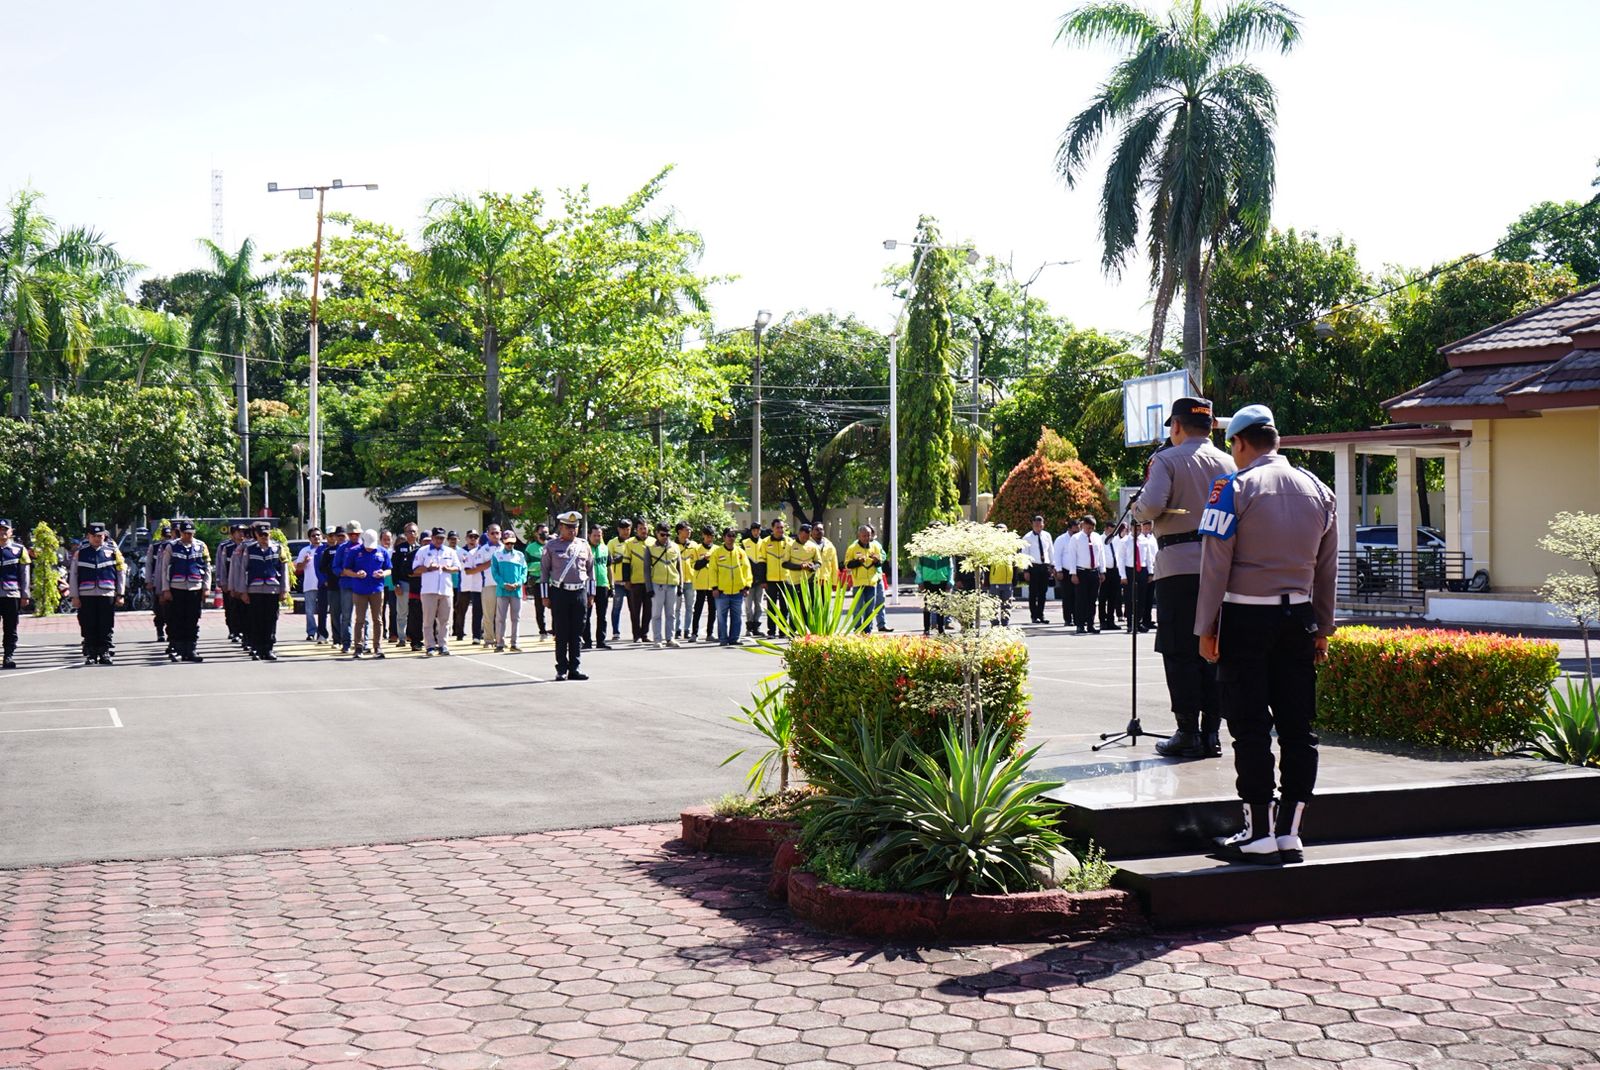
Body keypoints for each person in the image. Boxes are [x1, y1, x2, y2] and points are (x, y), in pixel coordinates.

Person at [1198, 405, 1337, 865]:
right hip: (1299, 620)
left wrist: (1206, 627)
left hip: (1245, 618)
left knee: (1250, 726)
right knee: (1299, 728)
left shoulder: (1232, 488)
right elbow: (1327, 571)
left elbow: (1215, 565)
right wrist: (1323, 628)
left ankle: (1258, 833)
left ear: (1239, 443)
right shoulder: (1319, 489)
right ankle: (1290, 834)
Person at [1133, 395, 1237, 760]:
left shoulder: (1166, 459)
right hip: (1221, 567)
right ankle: (1212, 734)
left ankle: (1187, 731)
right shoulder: (1228, 461)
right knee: (1215, 648)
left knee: (1179, 650)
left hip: (1178, 566)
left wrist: (1137, 509)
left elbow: (1151, 505)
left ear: (1176, 426)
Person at [541, 511, 594, 681]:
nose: (572, 530)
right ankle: (561, 669)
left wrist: (591, 594)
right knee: (562, 632)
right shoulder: (551, 546)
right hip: (560, 592)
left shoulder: (583, 545)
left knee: (577, 632)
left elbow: (590, 571)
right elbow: (544, 572)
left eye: (575, 527)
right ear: (561, 527)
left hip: (579, 592)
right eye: (569, 527)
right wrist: (545, 596)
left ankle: (575, 668)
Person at [70, 523, 125, 664]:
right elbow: (74, 575)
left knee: (106, 624)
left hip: (106, 594)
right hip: (86, 594)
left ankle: (104, 652)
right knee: (88, 624)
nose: (97, 538)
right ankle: (91, 653)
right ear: (88, 536)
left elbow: (121, 573)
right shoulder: (81, 553)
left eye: (100, 536)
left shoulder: (113, 552)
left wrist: (120, 594)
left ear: (104, 536)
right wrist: (74, 596)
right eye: (94, 536)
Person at [157, 520, 211, 663]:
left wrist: (206, 587)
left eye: (191, 533)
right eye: (185, 533)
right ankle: (179, 649)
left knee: (193, 620)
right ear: (180, 533)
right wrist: (165, 589)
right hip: (177, 588)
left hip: (195, 588)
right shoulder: (171, 546)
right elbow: (164, 569)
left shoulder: (201, 546)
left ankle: (191, 649)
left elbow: (207, 568)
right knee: (177, 620)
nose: (188, 536)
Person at [237, 521, 288, 662]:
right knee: (256, 620)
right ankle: (257, 648)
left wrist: (284, 590)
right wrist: (243, 591)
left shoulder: (278, 548)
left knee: (271, 620)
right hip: (255, 590)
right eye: (261, 535)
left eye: (266, 534)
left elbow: (284, 570)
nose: (264, 537)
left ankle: (268, 648)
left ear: (270, 534)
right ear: (256, 535)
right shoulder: (249, 549)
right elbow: (243, 570)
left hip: (272, 590)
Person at [343, 528, 391, 658]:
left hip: (377, 589)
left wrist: (382, 573)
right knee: (360, 619)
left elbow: (389, 569)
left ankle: (378, 647)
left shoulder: (382, 551)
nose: (370, 549)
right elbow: (346, 570)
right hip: (360, 590)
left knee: (378, 619)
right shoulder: (354, 551)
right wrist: (356, 574)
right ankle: (358, 648)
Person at [412, 526, 460, 656]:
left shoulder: (450, 552)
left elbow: (457, 567)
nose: (439, 540)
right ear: (432, 538)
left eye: (442, 538)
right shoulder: (423, 551)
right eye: (437, 538)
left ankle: (443, 645)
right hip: (429, 590)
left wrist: (448, 569)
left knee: (445, 620)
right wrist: (428, 568)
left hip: (446, 590)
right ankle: (430, 646)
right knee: (428, 620)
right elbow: (415, 569)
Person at [709, 527, 753, 646]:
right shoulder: (717, 553)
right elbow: (712, 571)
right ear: (724, 537)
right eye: (729, 535)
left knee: (737, 617)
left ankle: (734, 638)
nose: (731, 538)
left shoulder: (741, 552)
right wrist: (714, 587)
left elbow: (747, 570)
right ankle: (723, 639)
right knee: (721, 618)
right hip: (722, 592)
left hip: (738, 592)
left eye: (733, 535)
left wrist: (747, 587)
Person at [844, 525, 891, 632]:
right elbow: (847, 565)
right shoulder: (853, 548)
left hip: (872, 582)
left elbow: (880, 563)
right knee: (858, 608)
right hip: (858, 583)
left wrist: (877, 561)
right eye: (864, 536)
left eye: (868, 535)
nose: (866, 538)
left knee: (870, 608)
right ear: (859, 535)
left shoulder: (875, 546)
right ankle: (857, 628)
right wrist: (858, 561)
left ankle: (867, 630)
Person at [0, 519, 33, 669]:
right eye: (0, 529)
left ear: (11, 532)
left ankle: (8, 655)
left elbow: (25, 574)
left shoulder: (19, 550)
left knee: (10, 627)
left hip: (11, 594)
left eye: (5, 529)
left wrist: (25, 595)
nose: (2, 532)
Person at [1066, 516, 1106, 634]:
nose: (1090, 530)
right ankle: (1080, 625)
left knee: (1092, 600)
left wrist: (1102, 571)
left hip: (1094, 572)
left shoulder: (1097, 537)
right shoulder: (1076, 538)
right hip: (1081, 572)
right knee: (1081, 600)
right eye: (1088, 527)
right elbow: (1072, 556)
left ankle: (1090, 624)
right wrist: (1073, 573)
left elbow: (1101, 554)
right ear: (1083, 525)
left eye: (1092, 528)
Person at [490, 529, 528, 651]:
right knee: (500, 618)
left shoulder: (520, 555)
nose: (510, 545)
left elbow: (524, 571)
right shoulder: (497, 555)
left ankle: (514, 643)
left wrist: (519, 582)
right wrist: (503, 584)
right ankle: (500, 643)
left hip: (516, 590)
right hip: (502, 591)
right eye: (507, 543)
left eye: (512, 543)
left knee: (516, 618)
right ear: (503, 542)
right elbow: (494, 572)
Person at [648, 522, 684, 648]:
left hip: (672, 584)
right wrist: (649, 588)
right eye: (662, 534)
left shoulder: (675, 547)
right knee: (656, 614)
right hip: (657, 584)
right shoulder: (650, 548)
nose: (665, 537)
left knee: (671, 614)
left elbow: (679, 567)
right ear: (656, 533)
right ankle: (657, 639)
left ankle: (670, 638)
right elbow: (646, 569)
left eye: (667, 535)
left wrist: (681, 585)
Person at [622, 518, 654, 643]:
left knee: (649, 610)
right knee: (635, 610)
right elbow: (626, 562)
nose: (643, 531)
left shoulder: (653, 542)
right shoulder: (629, 543)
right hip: (635, 582)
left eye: (645, 528)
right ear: (636, 530)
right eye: (640, 528)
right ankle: (636, 635)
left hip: (650, 582)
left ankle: (645, 634)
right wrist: (626, 580)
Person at [218, 523, 249, 648]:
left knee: (244, 609)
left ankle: (243, 631)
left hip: (244, 584)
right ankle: (233, 631)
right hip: (230, 583)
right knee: (231, 608)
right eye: (238, 532)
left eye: (243, 532)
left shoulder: (248, 546)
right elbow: (221, 565)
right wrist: (223, 582)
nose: (241, 534)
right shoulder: (226, 547)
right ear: (232, 534)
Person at [781, 522, 820, 618]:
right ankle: (793, 627)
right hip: (794, 583)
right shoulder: (790, 545)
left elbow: (819, 562)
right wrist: (800, 566)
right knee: (795, 610)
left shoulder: (813, 546)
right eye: (803, 537)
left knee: (808, 609)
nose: (805, 539)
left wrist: (812, 567)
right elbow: (784, 564)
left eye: (807, 537)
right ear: (799, 534)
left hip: (809, 581)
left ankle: (807, 627)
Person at [686, 525, 717, 643]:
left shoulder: (717, 549)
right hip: (700, 583)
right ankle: (694, 633)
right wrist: (705, 559)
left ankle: (710, 633)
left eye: (712, 536)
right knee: (698, 608)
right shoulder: (696, 549)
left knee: (712, 609)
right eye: (707, 536)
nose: (709, 539)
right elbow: (694, 565)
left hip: (713, 584)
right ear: (703, 535)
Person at [760, 519, 791, 635]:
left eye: (782, 527)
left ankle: (783, 631)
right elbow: (762, 562)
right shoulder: (765, 542)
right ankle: (771, 631)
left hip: (786, 579)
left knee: (785, 607)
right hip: (770, 580)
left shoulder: (789, 542)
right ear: (772, 528)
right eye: (777, 527)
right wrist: (763, 580)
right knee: (771, 607)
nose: (780, 530)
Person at [454, 530, 485, 644]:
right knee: (460, 611)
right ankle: (459, 633)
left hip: (478, 585)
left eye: (475, 537)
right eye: (470, 536)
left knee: (478, 611)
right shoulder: (460, 552)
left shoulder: (481, 551)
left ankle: (477, 634)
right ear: (466, 538)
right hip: (464, 585)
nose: (473, 539)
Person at [392, 522, 419, 650]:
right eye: (409, 531)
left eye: (414, 531)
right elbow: (394, 568)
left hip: (416, 585)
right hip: (403, 583)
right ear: (405, 533)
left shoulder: (421, 548)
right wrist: (396, 584)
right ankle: (402, 638)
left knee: (415, 613)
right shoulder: (399, 548)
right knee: (402, 612)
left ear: (417, 533)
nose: (411, 534)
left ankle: (413, 636)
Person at [1022, 516, 1054, 625]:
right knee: (1033, 592)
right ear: (1032, 525)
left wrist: (1052, 565)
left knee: (1043, 592)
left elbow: (1051, 551)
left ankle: (1041, 614)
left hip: (1044, 566)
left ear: (1043, 525)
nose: (1038, 527)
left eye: (1040, 525)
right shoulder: (1027, 537)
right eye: (1036, 525)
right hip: (1033, 567)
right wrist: (1026, 570)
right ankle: (1034, 615)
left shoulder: (1047, 535)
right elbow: (1025, 554)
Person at [314, 527, 344, 645]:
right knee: (322, 610)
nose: (332, 537)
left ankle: (341, 636)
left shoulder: (341, 548)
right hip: (324, 584)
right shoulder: (321, 550)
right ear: (326, 536)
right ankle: (322, 634)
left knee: (338, 611)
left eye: (334, 535)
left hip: (338, 584)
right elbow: (318, 568)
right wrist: (324, 580)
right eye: (330, 535)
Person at [144, 523, 172, 646]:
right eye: (165, 536)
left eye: (169, 536)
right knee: (159, 609)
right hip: (157, 582)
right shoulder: (155, 547)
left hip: (171, 582)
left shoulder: (173, 547)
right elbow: (149, 564)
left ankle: (171, 632)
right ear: (161, 536)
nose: (167, 539)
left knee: (170, 610)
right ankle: (160, 631)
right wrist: (148, 580)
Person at [585, 524, 612, 650]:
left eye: (599, 535)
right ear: (589, 535)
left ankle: (601, 641)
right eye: (594, 535)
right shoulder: (585, 549)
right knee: (586, 615)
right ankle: (587, 641)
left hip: (602, 585)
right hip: (588, 585)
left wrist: (611, 585)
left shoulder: (605, 548)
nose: (597, 538)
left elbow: (609, 567)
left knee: (602, 615)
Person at [295, 528, 323, 643]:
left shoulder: (325, 549)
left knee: (322, 611)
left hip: (323, 584)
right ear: (309, 538)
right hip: (309, 584)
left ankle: (322, 632)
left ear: (322, 536)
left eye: (318, 535)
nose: (316, 537)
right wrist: (305, 562)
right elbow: (298, 567)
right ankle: (311, 632)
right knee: (310, 611)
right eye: (313, 536)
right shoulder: (305, 550)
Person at [606, 520, 632, 641]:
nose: (626, 532)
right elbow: (608, 560)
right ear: (618, 529)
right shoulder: (612, 543)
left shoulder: (633, 542)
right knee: (616, 607)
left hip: (631, 581)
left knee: (634, 608)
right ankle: (616, 632)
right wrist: (619, 558)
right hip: (617, 581)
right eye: (623, 529)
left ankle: (636, 632)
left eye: (628, 529)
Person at [478, 524, 502, 649]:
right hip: (488, 585)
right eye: (492, 533)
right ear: (488, 535)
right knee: (488, 614)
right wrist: (491, 562)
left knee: (501, 615)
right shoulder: (483, 549)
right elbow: (477, 567)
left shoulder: (505, 548)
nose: (495, 535)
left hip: (503, 586)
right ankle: (488, 640)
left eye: (497, 533)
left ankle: (500, 640)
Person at [916, 553, 952, 635]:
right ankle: (926, 629)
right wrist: (919, 581)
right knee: (927, 607)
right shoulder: (923, 555)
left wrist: (950, 581)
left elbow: (950, 568)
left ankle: (941, 630)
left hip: (942, 582)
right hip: (927, 582)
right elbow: (919, 568)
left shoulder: (946, 554)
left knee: (940, 607)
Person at [742, 521, 767, 637]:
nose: (756, 532)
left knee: (759, 604)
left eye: (758, 530)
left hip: (761, 579)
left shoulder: (764, 543)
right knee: (748, 605)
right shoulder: (744, 543)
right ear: (751, 531)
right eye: (754, 530)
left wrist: (764, 579)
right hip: (748, 580)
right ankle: (749, 628)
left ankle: (757, 627)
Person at [526, 524, 551, 640]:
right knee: (539, 608)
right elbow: (526, 565)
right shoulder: (530, 548)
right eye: (542, 532)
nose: (544, 534)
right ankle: (542, 631)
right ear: (536, 533)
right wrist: (541, 565)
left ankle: (556, 631)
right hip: (538, 582)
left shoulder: (552, 545)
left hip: (552, 582)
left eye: (546, 532)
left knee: (556, 608)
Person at [1099, 523, 1125, 631]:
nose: (1112, 533)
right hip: (1105, 571)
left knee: (1113, 597)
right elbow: (1099, 556)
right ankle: (1102, 621)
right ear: (1105, 529)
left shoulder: (1116, 540)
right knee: (1103, 597)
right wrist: (1101, 571)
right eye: (1110, 530)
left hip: (1115, 570)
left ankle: (1111, 620)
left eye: (1113, 531)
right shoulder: (1100, 539)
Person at [1050, 524, 1077, 629]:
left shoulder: (1079, 539)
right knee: (1067, 596)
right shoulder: (1061, 539)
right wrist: (1059, 570)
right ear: (1069, 529)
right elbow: (1057, 556)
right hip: (1065, 571)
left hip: (1077, 571)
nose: (1076, 533)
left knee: (1077, 596)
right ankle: (1068, 619)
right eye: (1074, 531)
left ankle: (1077, 618)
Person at [988, 533, 1016, 627]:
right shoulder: (991, 546)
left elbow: (1015, 564)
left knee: (1007, 604)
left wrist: (1015, 579)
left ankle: (1005, 624)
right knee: (994, 605)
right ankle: (994, 624)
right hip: (995, 581)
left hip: (1008, 581)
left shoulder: (1011, 547)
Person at [673, 522, 694, 639]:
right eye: (687, 529)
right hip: (677, 581)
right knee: (676, 608)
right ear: (679, 531)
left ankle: (687, 630)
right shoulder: (672, 546)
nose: (689, 531)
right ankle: (677, 630)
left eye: (690, 529)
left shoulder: (693, 545)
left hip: (691, 581)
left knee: (690, 607)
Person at [380, 529, 398, 642]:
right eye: (384, 539)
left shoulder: (394, 552)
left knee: (393, 610)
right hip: (380, 585)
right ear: (380, 540)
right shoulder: (378, 551)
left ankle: (393, 633)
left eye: (389, 539)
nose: (387, 541)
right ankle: (382, 632)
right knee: (380, 611)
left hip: (391, 586)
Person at [814, 520, 840, 589]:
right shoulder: (807, 545)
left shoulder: (830, 545)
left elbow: (834, 565)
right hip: (812, 581)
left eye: (821, 529)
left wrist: (834, 582)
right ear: (811, 531)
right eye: (817, 529)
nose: (819, 531)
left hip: (826, 580)